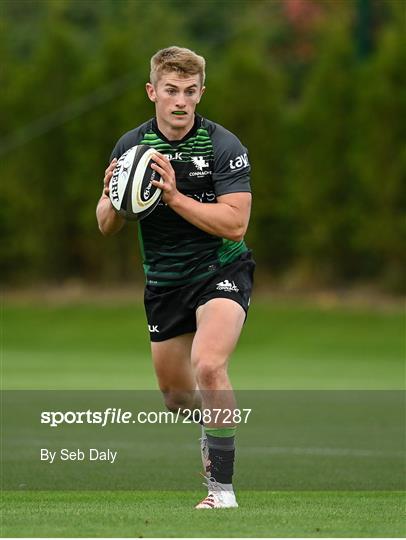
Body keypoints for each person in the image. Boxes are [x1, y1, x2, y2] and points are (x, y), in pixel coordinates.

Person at [96, 46, 255, 509]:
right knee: (176, 396)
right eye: (171, 90)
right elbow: (107, 225)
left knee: (209, 364)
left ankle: (221, 491)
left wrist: (175, 196)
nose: (181, 101)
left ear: (201, 92)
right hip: (164, 281)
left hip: (220, 270)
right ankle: (216, 421)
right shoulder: (131, 147)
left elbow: (235, 223)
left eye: (190, 91)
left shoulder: (224, 145)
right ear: (153, 93)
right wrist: (112, 195)